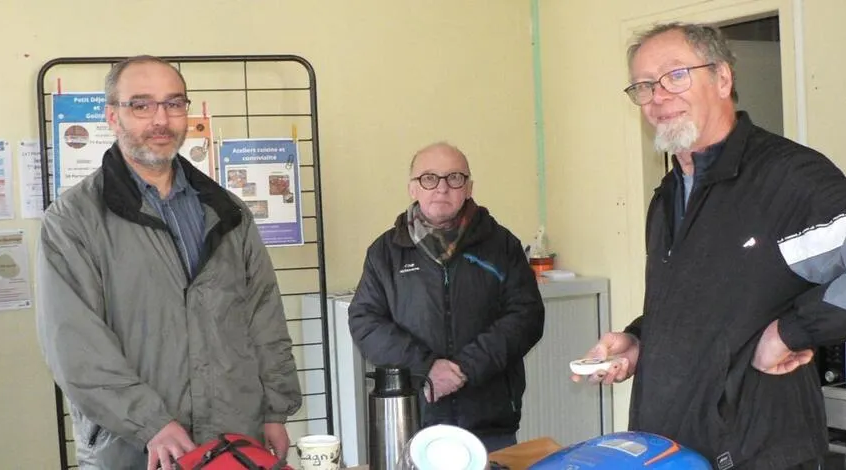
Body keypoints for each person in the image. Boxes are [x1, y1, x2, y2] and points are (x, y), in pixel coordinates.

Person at [573, 23, 846, 469]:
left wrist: (791, 332)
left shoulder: (787, 177)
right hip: (673, 450)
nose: (657, 96)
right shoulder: (669, 195)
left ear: (722, 78)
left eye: (675, 76)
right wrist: (640, 341)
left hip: (759, 453)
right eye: (643, 85)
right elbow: (704, 303)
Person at [36, 55, 302, 470]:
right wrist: (151, 422)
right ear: (112, 116)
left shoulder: (228, 211)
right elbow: (74, 344)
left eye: (174, 103)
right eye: (141, 105)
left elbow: (263, 315)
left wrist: (275, 409)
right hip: (134, 447)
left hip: (234, 438)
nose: (161, 119)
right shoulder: (73, 220)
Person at [348, 142, 546, 452]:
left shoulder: (502, 245)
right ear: (413, 188)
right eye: (429, 178)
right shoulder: (384, 253)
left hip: (490, 424)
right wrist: (427, 369)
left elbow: (527, 316)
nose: (442, 188)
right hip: (412, 421)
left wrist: (465, 368)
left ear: (468, 188)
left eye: (454, 178)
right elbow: (365, 321)